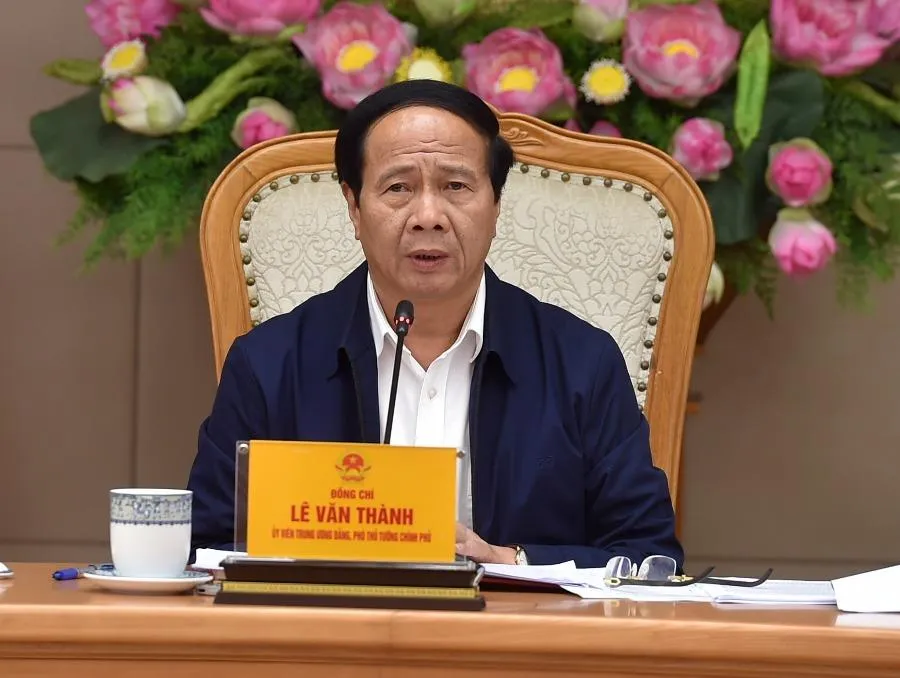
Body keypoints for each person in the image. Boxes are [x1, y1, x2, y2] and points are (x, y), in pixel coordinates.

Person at [186, 79, 683, 569]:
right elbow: (206, 551)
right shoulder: (269, 365)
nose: (428, 216)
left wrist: (509, 562)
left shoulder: (581, 364)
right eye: (398, 188)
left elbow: (649, 556)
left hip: (514, 624)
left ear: (496, 205)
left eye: (456, 187)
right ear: (354, 207)